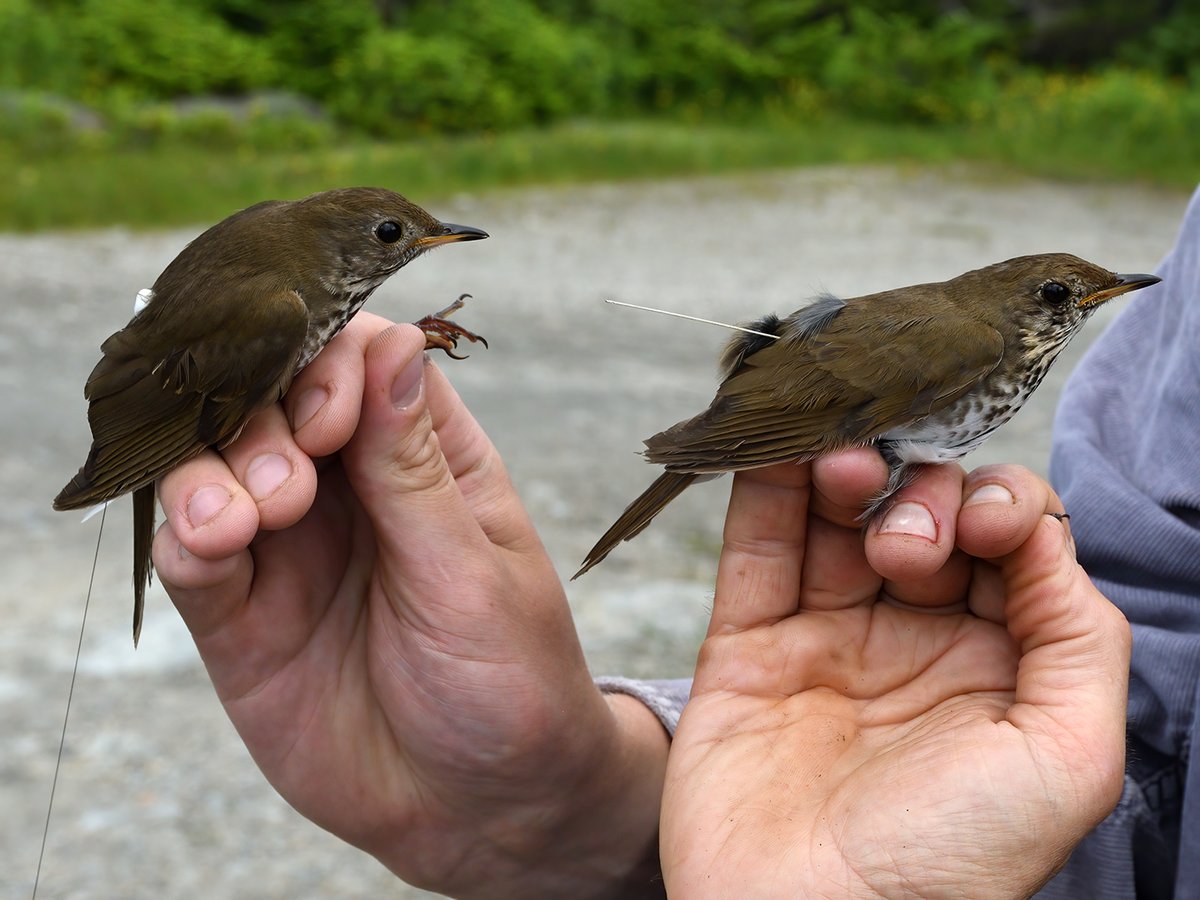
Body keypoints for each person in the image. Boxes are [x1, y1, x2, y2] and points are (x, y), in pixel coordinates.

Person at [150, 182, 1200, 897]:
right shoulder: (969, 336)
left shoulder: (975, 332)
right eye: (1064, 298)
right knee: (879, 481)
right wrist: (571, 811)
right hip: (829, 432)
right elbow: (1155, 730)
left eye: (1079, 297)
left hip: (846, 431)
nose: (1082, 308)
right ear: (1021, 303)